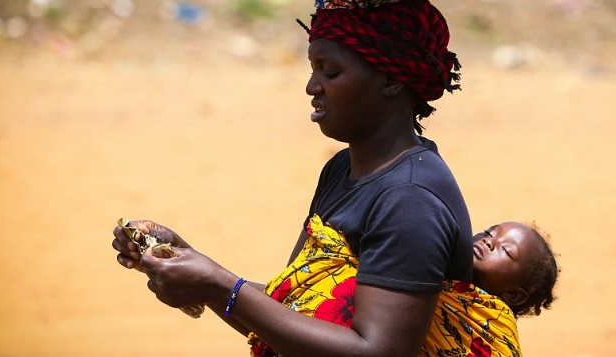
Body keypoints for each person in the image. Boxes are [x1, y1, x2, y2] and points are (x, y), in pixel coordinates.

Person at [112, 1, 480, 356]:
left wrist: (220, 286)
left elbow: (378, 350)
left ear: (391, 79)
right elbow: (289, 312)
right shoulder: (342, 170)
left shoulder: (409, 198)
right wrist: (192, 267)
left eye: (330, 72)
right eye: (313, 68)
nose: (311, 87)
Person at [244, 217, 559, 356]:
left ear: (515, 294)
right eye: (490, 232)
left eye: (505, 250)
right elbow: (295, 312)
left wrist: (225, 289)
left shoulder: (495, 331)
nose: (489, 242)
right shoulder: (423, 276)